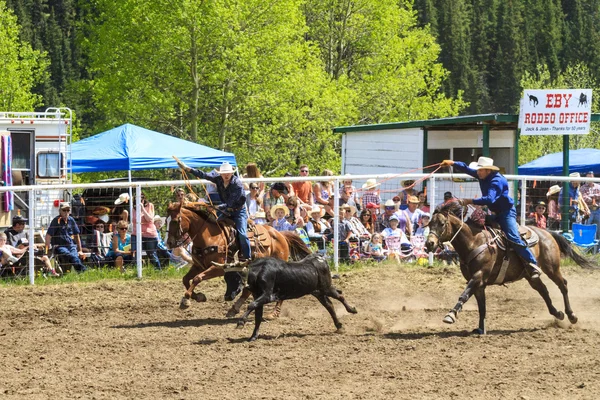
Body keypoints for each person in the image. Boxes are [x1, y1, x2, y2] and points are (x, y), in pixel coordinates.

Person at [441, 157, 542, 279]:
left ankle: (532, 264)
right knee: (473, 225)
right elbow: (466, 168)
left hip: (506, 213)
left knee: (513, 237)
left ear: (488, 170)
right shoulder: (482, 175)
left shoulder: (497, 181)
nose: (477, 172)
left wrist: (469, 201)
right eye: (478, 170)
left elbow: (490, 199)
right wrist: (452, 163)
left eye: (480, 170)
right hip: (494, 213)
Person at [177, 160, 247, 300]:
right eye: (224, 173)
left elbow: (231, 203)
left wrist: (214, 207)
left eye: (228, 173)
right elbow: (203, 174)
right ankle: (221, 252)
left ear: (231, 173)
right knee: (210, 225)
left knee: (243, 234)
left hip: (238, 212)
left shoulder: (237, 184)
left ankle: (246, 257)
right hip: (225, 211)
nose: (226, 175)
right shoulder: (218, 179)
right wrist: (187, 168)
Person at [45, 202, 87, 273]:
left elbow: (77, 235)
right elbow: (48, 236)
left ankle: (82, 272)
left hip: (71, 245)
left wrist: (80, 250)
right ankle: (84, 271)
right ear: (60, 211)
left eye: (68, 210)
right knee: (70, 256)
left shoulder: (71, 220)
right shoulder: (56, 221)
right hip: (59, 246)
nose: (66, 212)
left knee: (75, 257)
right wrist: (47, 250)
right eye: (64, 210)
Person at [131, 192, 161, 270]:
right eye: (138, 198)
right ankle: (137, 270)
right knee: (135, 252)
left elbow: (150, 219)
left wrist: (142, 208)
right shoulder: (133, 209)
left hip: (149, 234)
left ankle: (158, 271)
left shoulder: (150, 206)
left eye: (142, 197)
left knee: (152, 254)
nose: (140, 199)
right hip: (136, 234)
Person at [580, 171, 600, 240]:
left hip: (598, 210)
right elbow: (583, 197)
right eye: (588, 177)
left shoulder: (598, 186)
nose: (590, 179)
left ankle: (597, 247)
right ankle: (587, 244)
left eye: (591, 177)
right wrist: (594, 198)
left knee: (598, 229)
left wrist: (591, 196)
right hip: (588, 210)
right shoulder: (582, 188)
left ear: (593, 177)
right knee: (587, 227)